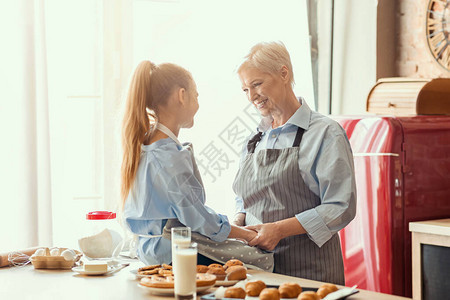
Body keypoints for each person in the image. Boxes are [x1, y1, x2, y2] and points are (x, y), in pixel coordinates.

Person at [120, 60, 274, 269]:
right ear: (182, 95)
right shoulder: (168, 157)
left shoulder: (145, 144)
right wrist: (246, 234)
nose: (198, 104)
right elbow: (198, 218)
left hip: (148, 249)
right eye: (197, 96)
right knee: (262, 259)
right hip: (170, 252)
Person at [232, 41, 356, 284]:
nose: (252, 96)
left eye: (257, 84)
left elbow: (341, 206)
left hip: (311, 273)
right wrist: (237, 223)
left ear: (283, 73)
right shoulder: (254, 140)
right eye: (245, 89)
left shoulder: (325, 133)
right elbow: (244, 199)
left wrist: (279, 230)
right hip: (258, 272)